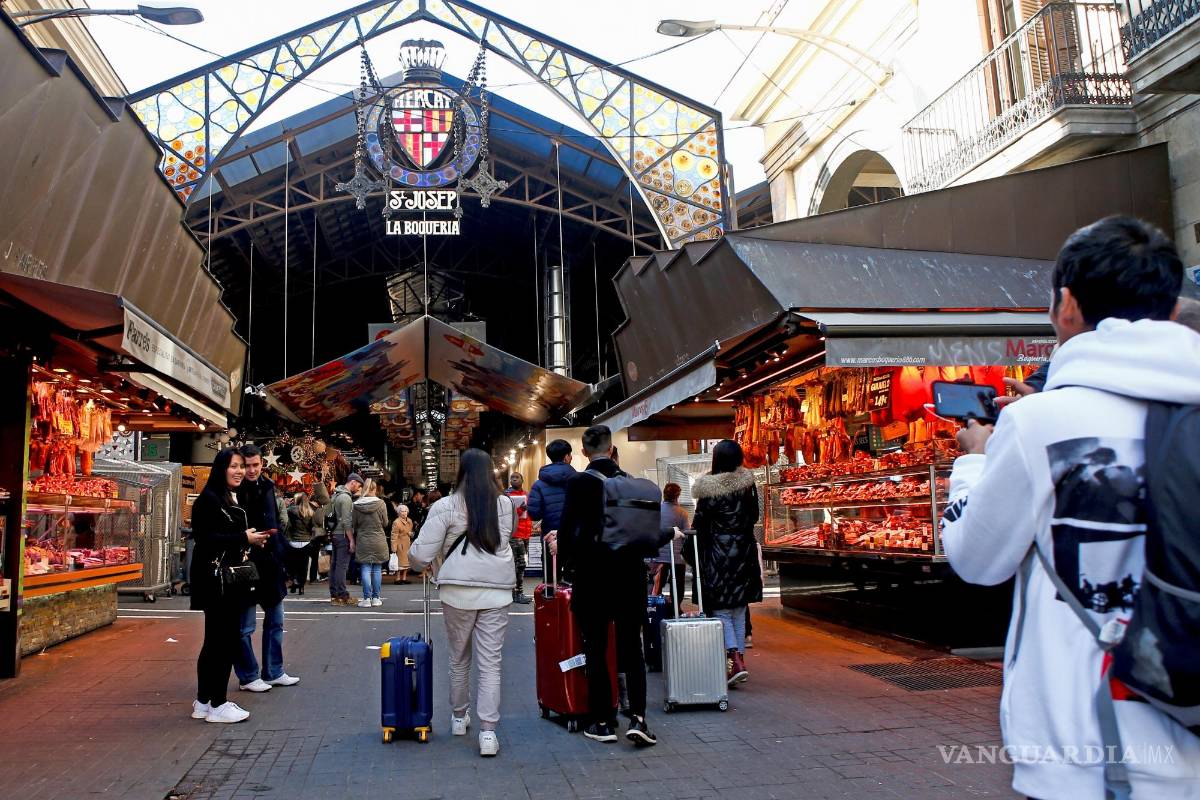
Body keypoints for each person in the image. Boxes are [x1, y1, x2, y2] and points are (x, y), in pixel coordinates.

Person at [941, 216, 1200, 799]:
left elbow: (977, 561)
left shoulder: (1039, 423)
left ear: (1067, 305)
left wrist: (976, 460)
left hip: (1083, 751)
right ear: (1169, 305)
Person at [549, 424, 671, 747]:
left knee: (596, 648)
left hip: (593, 578)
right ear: (613, 450)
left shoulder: (577, 484)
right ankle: (640, 718)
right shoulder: (630, 484)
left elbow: (566, 532)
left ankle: (602, 721)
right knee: (632, 649)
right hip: (630, 578)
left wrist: (567, 569)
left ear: (585, 452)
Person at [409, 448, 517, 758]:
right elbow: (503, 539)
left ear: (460, 472)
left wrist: (425, 560)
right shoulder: (505, 504)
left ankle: (459, 717)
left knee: (458, 657)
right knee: (490, 663)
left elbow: (419, 557)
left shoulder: (445, 506)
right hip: (497, 590)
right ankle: (488, 733)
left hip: (456, 590)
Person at [189, 448, 270, 723]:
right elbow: (206, 538)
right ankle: (218, 704)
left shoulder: (226, 497)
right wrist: (243, 538)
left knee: (214, 641)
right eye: (233, 466)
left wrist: (250, 539)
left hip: (221, 579)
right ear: (221, 468)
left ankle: (203, 701)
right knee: (223, 641)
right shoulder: (209, 500)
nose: (239, 471)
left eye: (241, 466)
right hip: (217, 581)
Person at [690, 440, 761, 687]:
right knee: (739, 609)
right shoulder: (748, 485)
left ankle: (734, 660)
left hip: (718, 553)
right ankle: (738, 660)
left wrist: (691, 553)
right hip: (744, 551)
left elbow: (699, 525)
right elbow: (754, 516)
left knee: (721, 608)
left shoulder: (708, 489)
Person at [234, 444, 300, 692]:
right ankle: (249, 675)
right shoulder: (235, 490)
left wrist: (282, 556)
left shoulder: (268, 486)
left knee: (275, 620)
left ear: (262, 463)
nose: (251, 470)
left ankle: (273, 671)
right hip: (247, 562)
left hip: (270, 562)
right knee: (245, 625)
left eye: (255, 465)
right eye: (246, 465)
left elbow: (275, 524)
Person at [352, 479, 389, 607]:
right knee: (377, 568)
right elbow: (385, 523)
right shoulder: (381, 504)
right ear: (375, 489)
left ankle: (366, 599)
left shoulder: (356, 505)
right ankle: (376, 598)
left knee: (365, 568)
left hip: (363, 539)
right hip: (379, 539)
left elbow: (354, 524)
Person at [527, 439, 574, 537]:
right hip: (574, 536)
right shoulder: (581, 480)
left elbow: (534, 514)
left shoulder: (538, 485)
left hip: (549, 536)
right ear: (566, 457)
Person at [328, 473, 362, 606]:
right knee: (342, 566)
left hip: (335, 534)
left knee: (335, 565)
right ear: (353, 482)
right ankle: (342, 596)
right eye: (358, 485)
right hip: (342, 535)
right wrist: (351, 540)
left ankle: (334, 594)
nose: (358, 489)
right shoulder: (346, 499)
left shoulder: (336, 495)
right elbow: (347, 521)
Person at [654, 483, 688, 600]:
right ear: (677, 496)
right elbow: (686, 534)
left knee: (657, 584)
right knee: (678, 585)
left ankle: (654, 607)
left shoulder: (656, 510)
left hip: (658, 555)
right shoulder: (682, 512)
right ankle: (676, 607)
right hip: (677, 556)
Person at [504, 473, 533, 604]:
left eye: (517, 477)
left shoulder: (527, 494)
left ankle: (515, 592)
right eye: (512, 477)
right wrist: (520, 510)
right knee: (519, 564)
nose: (514, 479)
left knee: (520, 564)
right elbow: (506, 514)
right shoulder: (506, 496)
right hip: (514, 535)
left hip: (526, 534)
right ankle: (516, 593)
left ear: (522, 480)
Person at [285, 491, 318, 595]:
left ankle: (294, 582)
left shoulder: (290, 510)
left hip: (293, 541)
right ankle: (301, 586)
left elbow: (287, 524)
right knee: (303, 565)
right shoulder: (311, 512)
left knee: (292, 564)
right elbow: (313, 527)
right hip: (306, 541)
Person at [390, 503, 414, 585]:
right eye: (402, 511)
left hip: (407, 543)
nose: (404, 513)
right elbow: (394, 535)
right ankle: (397, 578)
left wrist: (411, 534)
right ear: (399, 512)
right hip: (399, 544)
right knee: (399, 563)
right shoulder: (396, 522)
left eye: (405, 511)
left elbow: (410, 531)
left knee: (406, 562)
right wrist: (393, 547)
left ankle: (404, 578)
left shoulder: (410, 521)